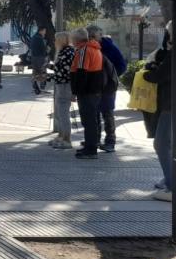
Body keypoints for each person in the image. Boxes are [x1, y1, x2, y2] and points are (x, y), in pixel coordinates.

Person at [142, 20, 176, 202]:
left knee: (162, 143)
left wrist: (149, 71)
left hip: (174, 103)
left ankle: (173, 187)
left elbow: (160, 76)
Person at [86, 25, 126, 153]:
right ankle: (95, 139)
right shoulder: (89, 48)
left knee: (107, 113)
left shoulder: (110, 48)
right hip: (95, 86)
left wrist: (111, 77)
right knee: (94, 113)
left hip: (107, 87)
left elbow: (121, 65)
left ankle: (110, 141)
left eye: (93, 35)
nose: (92, 38)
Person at [69, 27, 104, 159]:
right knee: (91, 120)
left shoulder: (84, 50)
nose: (71, 40)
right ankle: (90, 145)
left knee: (88, 120)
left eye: (72, 38)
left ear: (77, 39)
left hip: (87, 91)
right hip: (94, 90)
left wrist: (76, 92)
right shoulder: (95, 49)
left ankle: (91, 149)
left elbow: (82, 73)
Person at [46, 31, 75, 150]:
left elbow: (65, 73)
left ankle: (67, 140)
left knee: (63, 113)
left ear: (62, 40)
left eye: (56, 39)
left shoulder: (68, 52)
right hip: (61, 84)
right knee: (59, 112)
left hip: (65, 85)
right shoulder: (64, 51)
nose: (54, 42)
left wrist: (47, 77)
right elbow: (60, 69)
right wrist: (49, 67)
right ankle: (61, 136)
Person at [29, 26, 49, 94]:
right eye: (44, 31)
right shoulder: (40, 38)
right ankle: (41, 87)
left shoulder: (33, 37)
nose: (45, 33)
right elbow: (43, 48)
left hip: (34, 57)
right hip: (40, 57)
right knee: (42, 72)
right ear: (41, 30)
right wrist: (47, 51)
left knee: (35, 71)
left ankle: (35, 85)